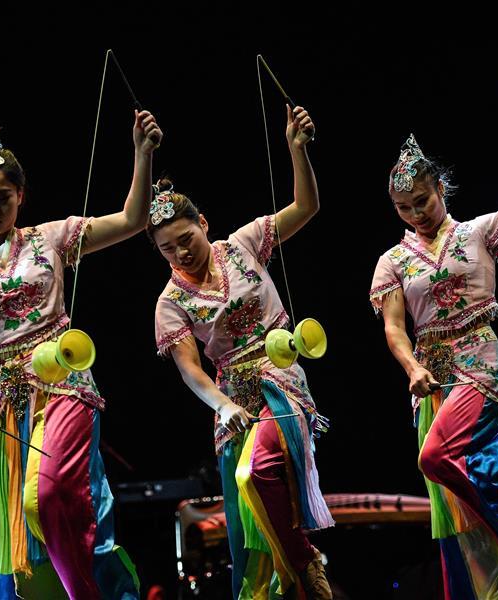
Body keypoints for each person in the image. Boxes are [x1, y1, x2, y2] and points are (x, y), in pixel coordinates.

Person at [0, 110, 162, 599]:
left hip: (64, 386)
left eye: (3, 198)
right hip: (4, 408)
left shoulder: (49, 240)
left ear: (21, 198)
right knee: (22, 530)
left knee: (53, 495)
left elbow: (132, 219)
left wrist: (142, 152)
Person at [369, 99, 498, 598]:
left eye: (423, 199)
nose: (416, 212)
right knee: (460, 496)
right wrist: (412, 367)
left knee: (435, 458)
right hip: (431, 377)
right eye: (404, 207)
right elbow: (395, 327)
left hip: (478, 365)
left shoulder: (479, 232)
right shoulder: (393, 260)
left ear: (441, 188)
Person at [151, 105, 333, 599]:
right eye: (168, 249)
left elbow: (306, 206)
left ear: (203, 224)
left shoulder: (244, 244)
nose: (181, 253)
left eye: (186, 239)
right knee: (245, 526)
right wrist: (224, 405)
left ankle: (305, 560)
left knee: (261, 471)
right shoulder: (170, 303)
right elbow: (191, 370)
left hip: (280, 377)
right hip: (230, 399)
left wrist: (297, 151)